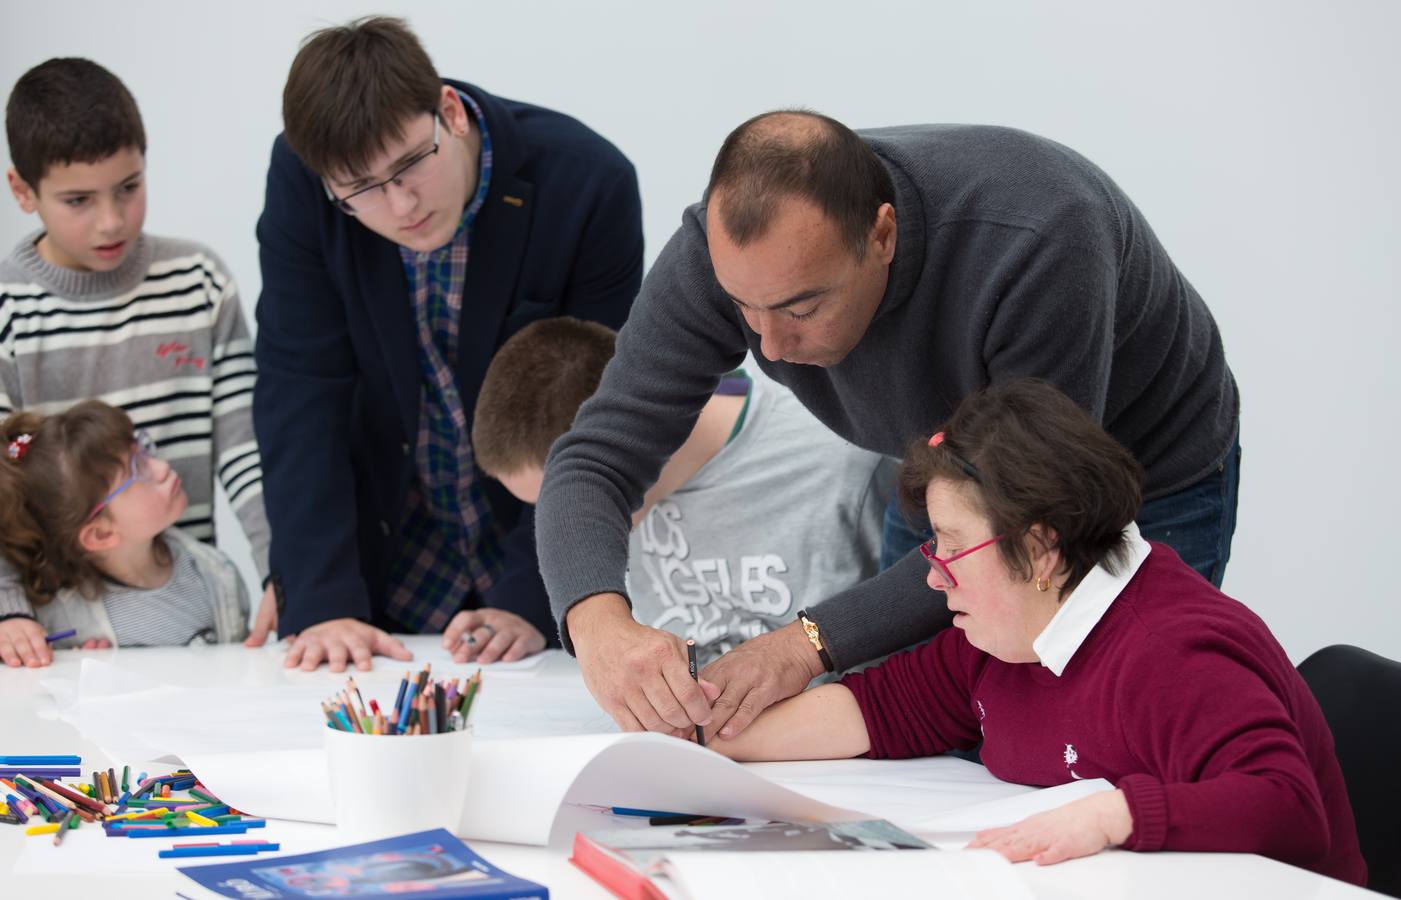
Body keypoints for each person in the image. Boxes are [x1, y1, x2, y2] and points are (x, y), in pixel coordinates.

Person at [536, 110, 1240, 739]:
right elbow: (595, 457)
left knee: (1084, 732)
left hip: (1138, 471)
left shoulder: (1039, 237)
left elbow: (1017, 513)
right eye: (743, 312)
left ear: (881, 234)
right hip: (943, 471)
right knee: (908, 719)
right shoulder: (729, 261)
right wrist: (596, 624)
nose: (769, 348)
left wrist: (801, 643)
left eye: (801, 309)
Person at [707, 380, 1361, 884]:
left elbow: (1286, 809)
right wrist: (699, 733)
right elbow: (883, 710)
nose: (933, 580)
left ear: (1041, 549)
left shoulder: (1171, 651)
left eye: (950, 549)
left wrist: (1110, 817)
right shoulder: (1009, 630)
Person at [251, 17, 642, 672]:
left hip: (530, 546)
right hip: (385, 548)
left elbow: (596, 408)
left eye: (409, 165)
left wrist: (535, 590)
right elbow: (299, 387)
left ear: (449, 113)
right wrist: (319, 594)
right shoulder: (300, 180)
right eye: (362, 190)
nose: (400, 205)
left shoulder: (587, 182)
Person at [0, 58, 269, 667]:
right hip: (60, 639)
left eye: (129, 187)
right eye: (77, 199)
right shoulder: (8, 310)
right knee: (80, 766)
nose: (111, 220)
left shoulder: (198, 281)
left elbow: (246, 449)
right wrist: (8, 604)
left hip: (193, 617)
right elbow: (1, 472)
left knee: (201, 761)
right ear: (23, 191)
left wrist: (285, 569)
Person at [471, 317, 893, 670]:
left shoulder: (841, 450)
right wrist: (527, 621)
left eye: (567, 498)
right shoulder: (610, 519)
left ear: (617, 442)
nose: (567, 520)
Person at [0, 401, 248, 647]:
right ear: (100, 534)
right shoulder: (65, 629)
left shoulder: (217, 574)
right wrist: (76, 675)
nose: (161, 468)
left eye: (143, 450)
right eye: (138, 470)